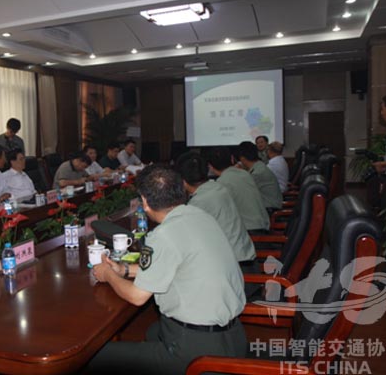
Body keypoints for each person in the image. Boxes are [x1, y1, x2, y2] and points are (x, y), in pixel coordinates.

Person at [89, 165, 247, 375]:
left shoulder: (165, 234)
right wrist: (124, 270)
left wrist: (108, 274)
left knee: (98, 356)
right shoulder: (201, 216)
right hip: (234, 337)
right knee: (154, 331)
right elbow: (173, 264)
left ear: (145, 202)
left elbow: (137, 297)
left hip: (197, 353)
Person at [176, 153, 255, 264]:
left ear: (182, 181)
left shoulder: (199, 201)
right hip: (244, 256)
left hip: (233, 264)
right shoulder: (218, 187)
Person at [208, 147, 270, 232]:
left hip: (248, 231)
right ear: (232, 159)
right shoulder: (245, 174)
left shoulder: (221, 183)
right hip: (263, 226)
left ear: (210, 166)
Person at [237, 141, 283, 212]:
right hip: (269, 205)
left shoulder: (257, 173)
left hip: (269, 209)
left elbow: (242, 192)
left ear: (242, 158)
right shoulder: (259, 166)